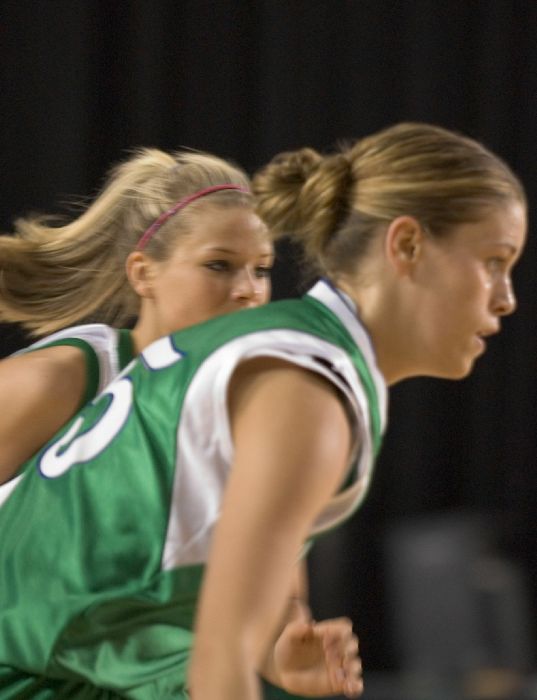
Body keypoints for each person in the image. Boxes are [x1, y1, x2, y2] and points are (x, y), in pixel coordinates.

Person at [0, 122, 526, 699]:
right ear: (405, 245)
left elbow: (253, 592)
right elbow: (217, 658)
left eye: (261, 268)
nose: (507, 298)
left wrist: (277, 646)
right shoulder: (300, 383)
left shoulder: (285, 359)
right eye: (493, 262)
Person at [0, 148, 354, 699]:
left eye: (261, 270)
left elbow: (276, 593)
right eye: (220, 265)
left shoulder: (256, 409)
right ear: (144, 273)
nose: (250, 290)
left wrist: (285, 649)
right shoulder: (60, 378)